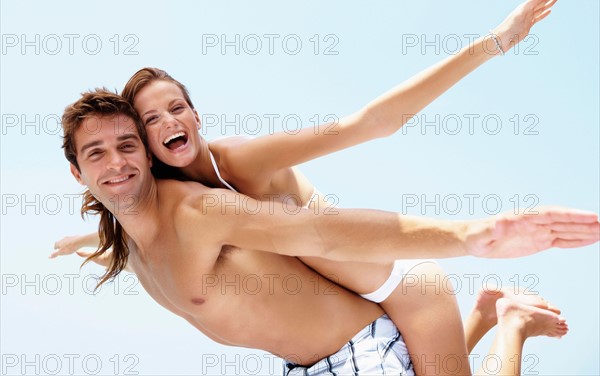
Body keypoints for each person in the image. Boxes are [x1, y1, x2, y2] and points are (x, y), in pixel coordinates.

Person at [55, 89, 597, 375]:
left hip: (363, 348)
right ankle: (489, 317)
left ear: (149, 158)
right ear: (78, 174)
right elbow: (128, 241)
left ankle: (511, 326)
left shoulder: (197, 212)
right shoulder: (134, 242)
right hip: (313, 366)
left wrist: (469, 236)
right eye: (96, 153)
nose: (117, 162)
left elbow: (322, 234)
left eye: (128, 145)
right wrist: (89, 243)